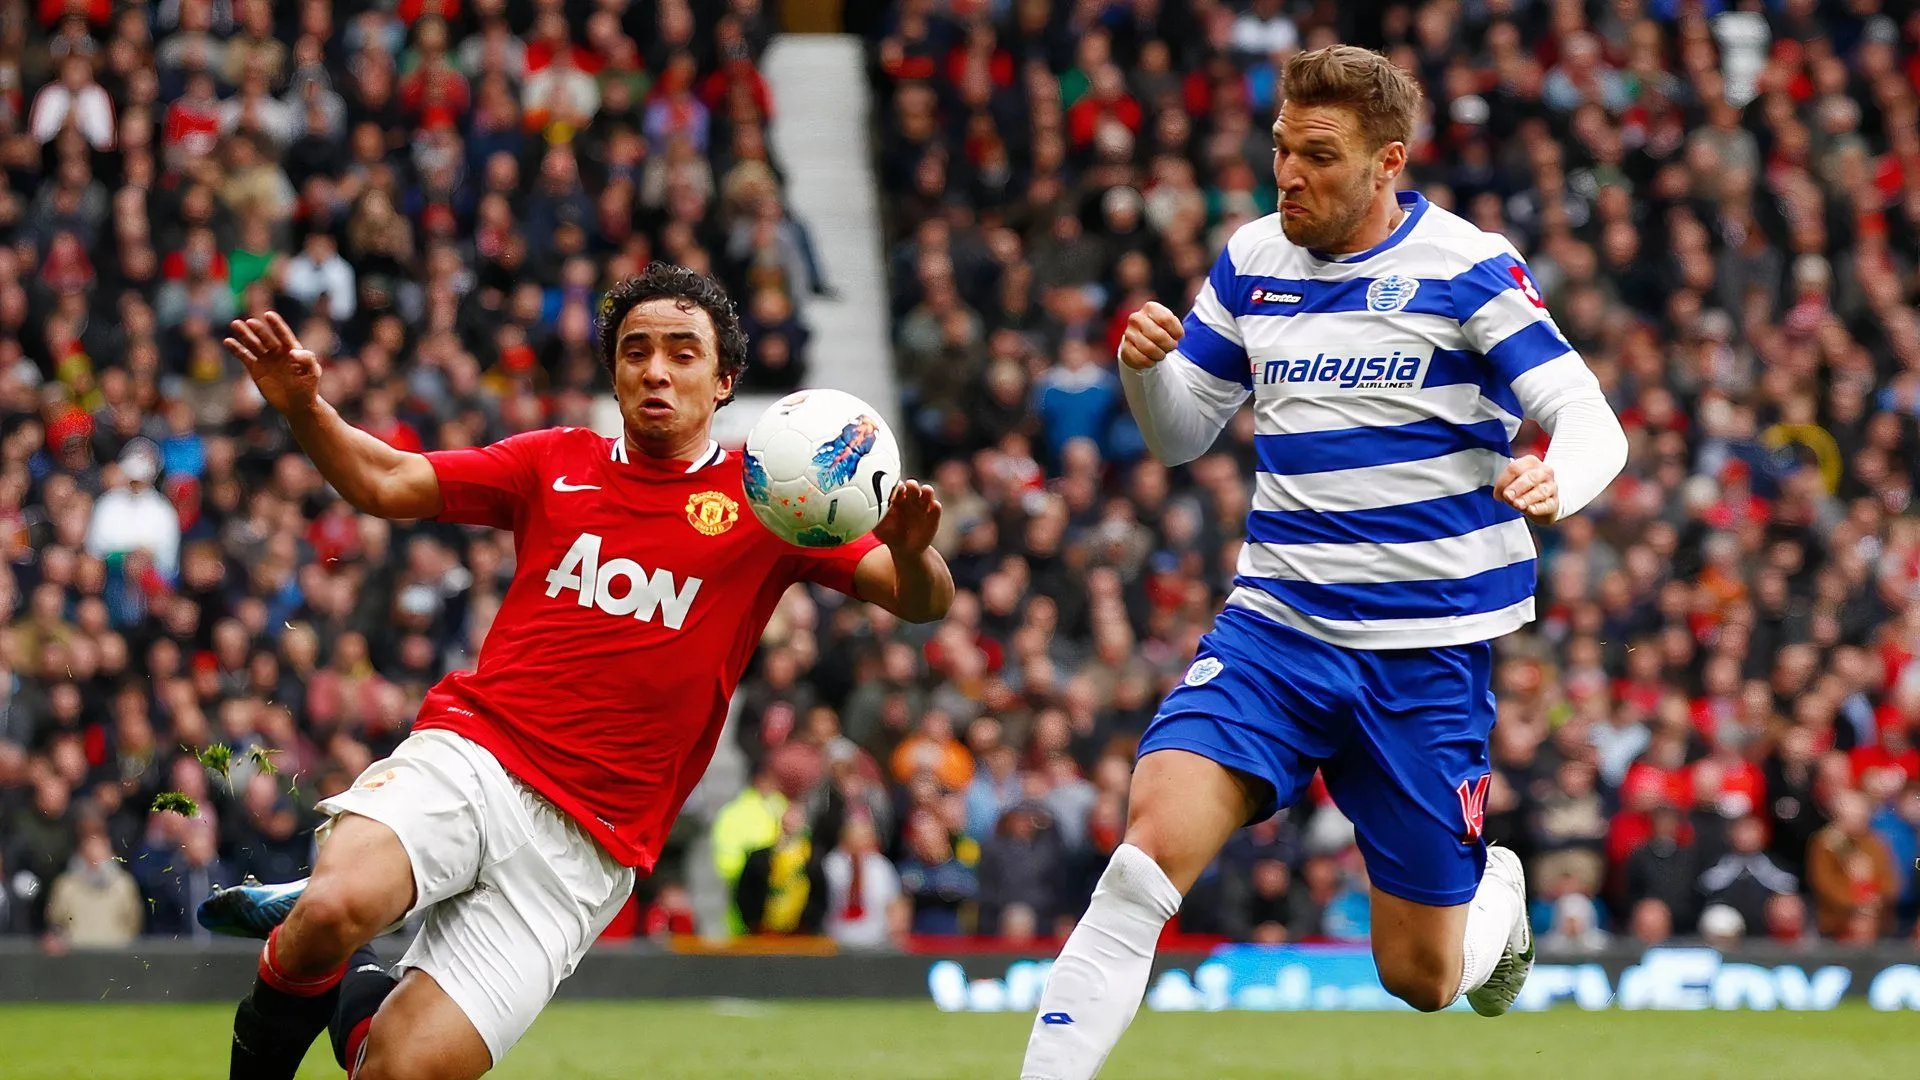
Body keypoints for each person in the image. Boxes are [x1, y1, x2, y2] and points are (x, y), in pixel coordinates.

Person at [1021, 46, 1628, 1079]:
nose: (1288, 175)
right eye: (1279, 151)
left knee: (1424, 979)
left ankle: (1498, 897)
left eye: (1318, 155)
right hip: (1277, 633)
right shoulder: (1254, 259)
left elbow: (1587, 416)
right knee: (1143, 860)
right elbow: (1180, 436)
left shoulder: (1466, 266)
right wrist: (1145, 376)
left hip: (1420, 660)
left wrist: (1557, 479)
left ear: (1388, 161)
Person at [198, 262, 954, 1080]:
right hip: (478, 753)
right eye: (635, 351)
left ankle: (362, 986)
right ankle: (318, 941)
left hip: (589, 847)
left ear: (725, 380)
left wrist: (912, 553)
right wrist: (307, 407)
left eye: (682, 353)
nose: (655, 370)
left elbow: (921, 601)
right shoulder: (554, 461)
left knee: (399, 1070)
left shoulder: (772, 499)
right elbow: (386, 480)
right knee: (335, 908)